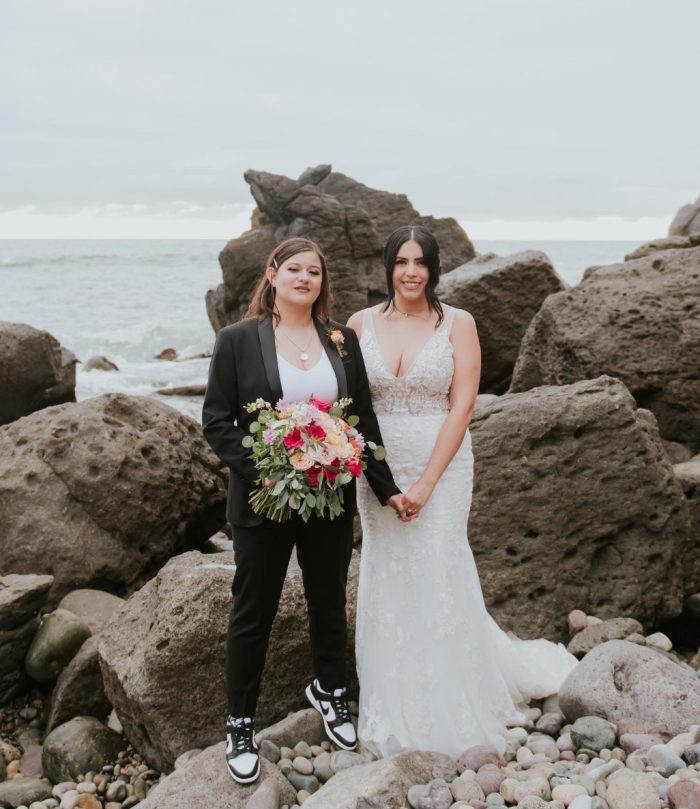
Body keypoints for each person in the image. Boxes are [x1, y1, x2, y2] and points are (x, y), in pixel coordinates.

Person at [348, 225, 577, 759]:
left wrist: (426, 483)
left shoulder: (458, 323)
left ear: (433, 268)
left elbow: (462, 404)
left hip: (443, 465)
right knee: (387, 570)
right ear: (388, 267)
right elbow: (351, 404)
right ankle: (391, 698)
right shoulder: (359, 325)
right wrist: (380, 481)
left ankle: (453, 703)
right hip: (378, 470)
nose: (411, 271)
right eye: (401, 261)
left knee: (437, 563)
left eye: (420, 262)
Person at [202, 237, 405, 784]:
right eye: (294, 268)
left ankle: (331, 691)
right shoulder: (238, 340)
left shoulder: (341, 341)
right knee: (254, 611)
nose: (304, 278)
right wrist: (269, 469)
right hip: (262, 499)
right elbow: (217, 421)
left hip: (331, 496)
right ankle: (239, 723)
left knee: (327, 600)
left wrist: (386, 488)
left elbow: (359, 417)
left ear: (322, 282)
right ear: (272, 274)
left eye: (314, 271)